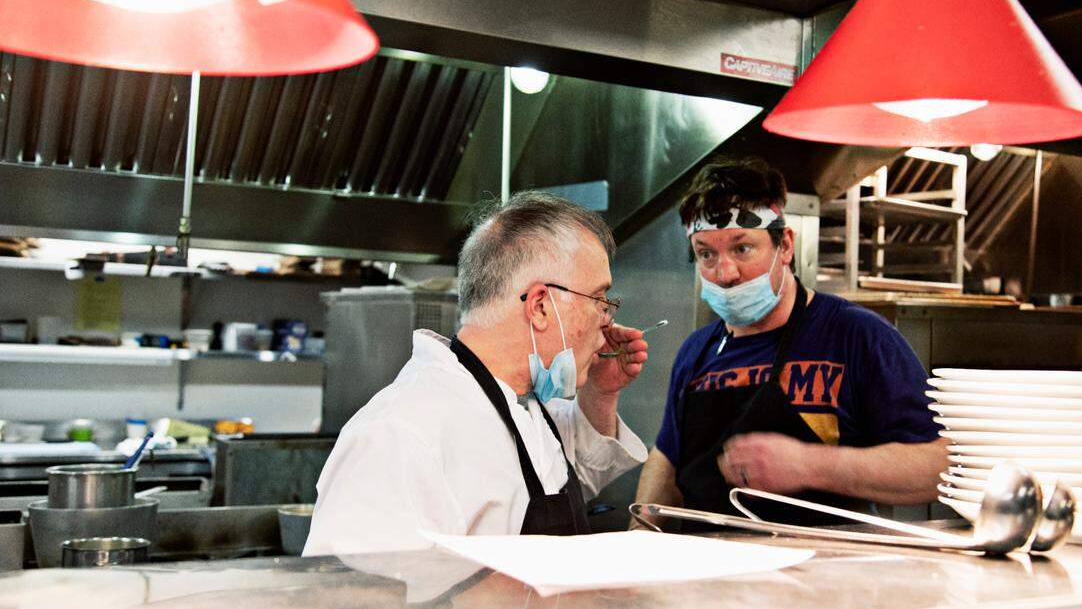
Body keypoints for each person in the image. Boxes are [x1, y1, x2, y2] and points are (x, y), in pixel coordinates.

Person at [306, 192, 649, 554]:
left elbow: (572, 478)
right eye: (599, 300)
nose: (607, 319)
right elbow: (351, 597)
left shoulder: (525, 403)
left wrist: (601, 392)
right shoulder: (400, 435)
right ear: (541, 307)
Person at [634, 157, 946, 527]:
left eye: (742, 248)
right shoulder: (696, 351)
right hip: (710, 573)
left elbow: (938, 467)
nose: (725, 273)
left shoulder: (858, 335)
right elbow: (667, 459)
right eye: (706, 254)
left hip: (825, 573)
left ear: (784, 246)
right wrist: (639, 537)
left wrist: (810, 466)